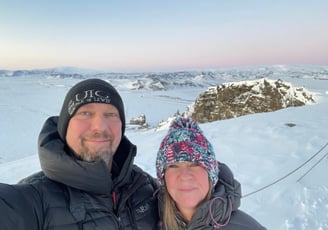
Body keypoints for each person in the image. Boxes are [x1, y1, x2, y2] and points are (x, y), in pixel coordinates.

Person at [0, 78, 159, 229]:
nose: (100, 127)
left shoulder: (144, 185)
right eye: (85, 113)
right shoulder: (34, 199)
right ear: (65, 126)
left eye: (110, 114)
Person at [156, 116, 266, 230]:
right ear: (163, 177)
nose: (184, 176)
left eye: (195, 164)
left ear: (211, 174)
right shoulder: (146, 222)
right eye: (173, 166)